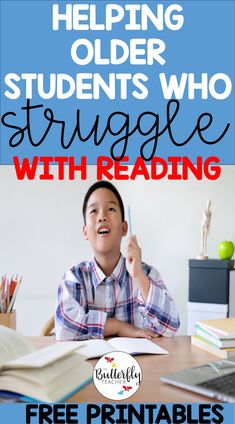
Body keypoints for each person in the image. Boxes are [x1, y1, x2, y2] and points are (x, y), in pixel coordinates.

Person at [55, 181, 180, 340]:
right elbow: (65, 328)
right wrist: (120, 327)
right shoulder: (74, 277)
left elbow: (171, 327)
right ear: (85, 231)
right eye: (94, 211)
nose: (102, 217)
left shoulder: (146, 274)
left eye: (111, 209)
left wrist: (139, 277)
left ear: (124, 228)